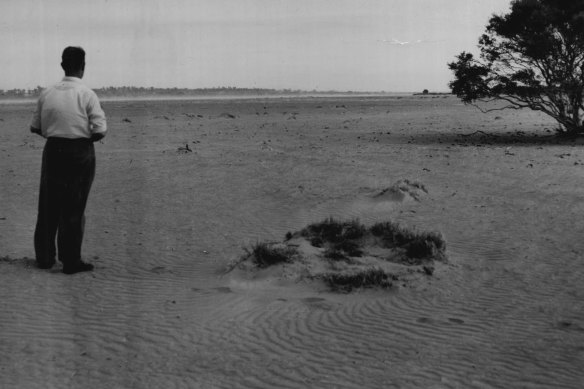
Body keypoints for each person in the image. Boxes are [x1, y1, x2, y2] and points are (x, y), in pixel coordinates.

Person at [30, 46, 107, 274]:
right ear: (83, 66)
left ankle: (44, 258)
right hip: (80, 151)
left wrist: (55, 133)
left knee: (48, 205)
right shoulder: (86, 94)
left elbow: (35, 127)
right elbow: (100, 129)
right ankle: (70, 261)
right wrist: (82, 137)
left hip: (53, 150)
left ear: (62, 65)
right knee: (74, 206)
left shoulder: (47, 93)